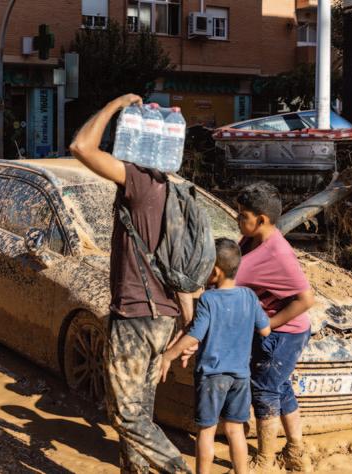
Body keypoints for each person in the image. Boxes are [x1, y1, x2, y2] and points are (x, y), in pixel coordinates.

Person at [70, 93, 193, 474]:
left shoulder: (139, 180)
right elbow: (179, 263)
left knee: (125, 416)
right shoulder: (172, 189)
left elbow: (81, 147)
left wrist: (114, 104)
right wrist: (187, 323)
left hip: (136, 317)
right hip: (162, 318)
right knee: (139, 412)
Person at [159, 238, 271, 474]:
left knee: (206, 431)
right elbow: (265, 330)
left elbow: (195, 336)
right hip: (240, 376)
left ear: (216, 271)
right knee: (235, 430)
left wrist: (168, 355)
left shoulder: (208, 299)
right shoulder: (249, 296)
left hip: (212, 376)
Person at [233, 182, 315, 472]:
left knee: (264, 391)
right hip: (279, 332)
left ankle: (264, 460)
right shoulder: (252, 239)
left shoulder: (276, 253)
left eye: (242, 215)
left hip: (284, 334)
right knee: (280, 388)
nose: (237, 219)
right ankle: (296, 452)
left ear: (261, 219)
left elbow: (306, 299)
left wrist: (268, 324)